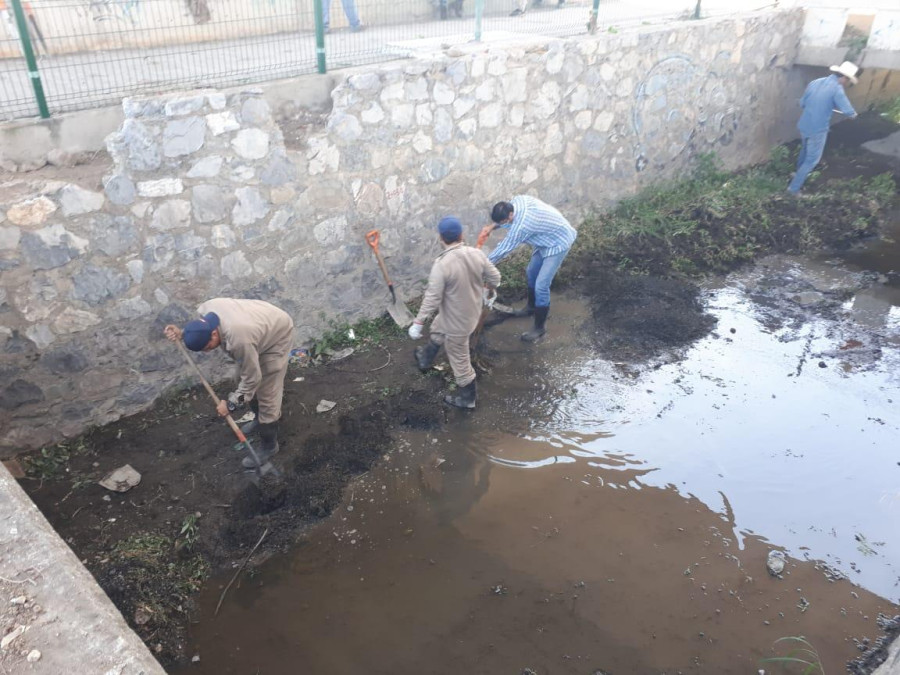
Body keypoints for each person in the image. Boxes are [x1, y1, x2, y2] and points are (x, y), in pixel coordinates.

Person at [164, 298, 294, 470]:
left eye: (208, 347)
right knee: (240, 378)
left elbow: (253, 379)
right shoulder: (206, 311)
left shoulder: (239, 339)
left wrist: (232, 405)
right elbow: (198, 329)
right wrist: (183, 333)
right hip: (257, 325)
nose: (207, 351)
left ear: (214, 334)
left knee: (267, 390)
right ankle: (258, 418)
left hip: (276, 334)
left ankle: (269, 445)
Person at [408, 216, 501, 410]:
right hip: (470, 311)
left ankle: (467, 399)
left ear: (441, 238)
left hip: (458, 322)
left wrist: (417, 323)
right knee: (438, 326)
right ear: (461, 235)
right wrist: (488, 289)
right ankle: (425, 357)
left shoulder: (441, 265)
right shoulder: (476, 254)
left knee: (459, 358)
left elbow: (432, 298)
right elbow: (495, 277)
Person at [480, 195, 576, 342]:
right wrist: (491, 227)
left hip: (558, 242)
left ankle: (539, 329)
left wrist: (481, 266)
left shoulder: (523, 226)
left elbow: (504, 249)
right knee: (531, 273)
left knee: (541, 285)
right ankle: (531, 308)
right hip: (544, 239)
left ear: (511, 214)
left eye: (505, 221)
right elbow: (505, 222)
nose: (504, 224)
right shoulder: (517, 201)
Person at [787, 61, 859, 196]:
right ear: (844, 78)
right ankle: (794, 189)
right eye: (847, 80)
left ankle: (797, 174)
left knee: (805, 149)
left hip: (804, 125)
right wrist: (853, 114)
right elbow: (848, 111)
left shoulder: (815, 82)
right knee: (812, 160)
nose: (846, 83)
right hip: (817, 130)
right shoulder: (837, 89)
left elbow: (803, 103)